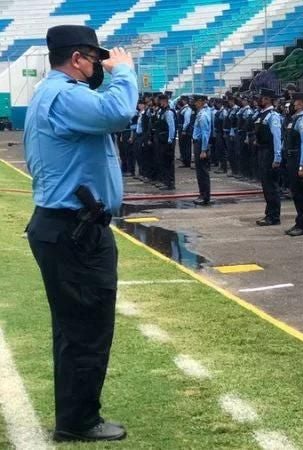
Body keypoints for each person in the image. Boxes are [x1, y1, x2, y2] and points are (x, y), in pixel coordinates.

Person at [24, 25, 137, 442]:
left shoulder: (54, 94)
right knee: (87, 328)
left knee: (75, 329)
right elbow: (118, 113)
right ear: (77, 59)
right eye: (94, 59)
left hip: (67, 225)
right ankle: (78, 421)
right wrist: (125, 72)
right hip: (76, 229)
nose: (98, 67)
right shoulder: (68, 95)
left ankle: (76, 412)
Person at [283, 92, 303, 236]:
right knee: (296, 193)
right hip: (292, 158)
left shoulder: (302, 121)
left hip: (299, 159)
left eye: (294, 102)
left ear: (301, 104)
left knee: (302, 194)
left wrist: (302, 164)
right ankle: (299, 222)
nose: (292, 104)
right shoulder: (294, 120)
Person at [253, 89, 283, 226]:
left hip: (270, 152)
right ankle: (269, 213)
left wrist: (277, 157)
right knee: (266, 185)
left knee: (271, 186)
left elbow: (277, 137)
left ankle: (274, 216)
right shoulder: (262, 115)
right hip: (262, 151)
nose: (260, 100)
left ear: (268, 100)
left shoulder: (273, 116)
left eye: (263, 98)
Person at [192, 95, 212, 205]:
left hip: (201, 144)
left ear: (201, 102)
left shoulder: (203, 115)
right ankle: (202, 194)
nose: (195, 103)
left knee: (203, 172)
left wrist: (204, 150)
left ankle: (205, 196)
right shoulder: (201, 113)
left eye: (196, 101)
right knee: (199, 172)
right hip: (198, 143)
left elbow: (205, 134)